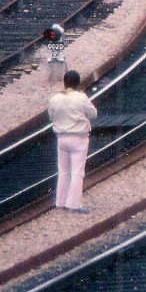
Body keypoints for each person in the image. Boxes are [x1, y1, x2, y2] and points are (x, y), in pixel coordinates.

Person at [47, 68, 98, 213]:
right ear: (78, 83)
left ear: (64, 83)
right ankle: (74, 204)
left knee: (63, 171)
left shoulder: (55, 99)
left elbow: (51, 117)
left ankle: (60, 202)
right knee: (77, 172)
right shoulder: (81, 98)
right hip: (78, 138)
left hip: (61, 138)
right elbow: (93, 114)